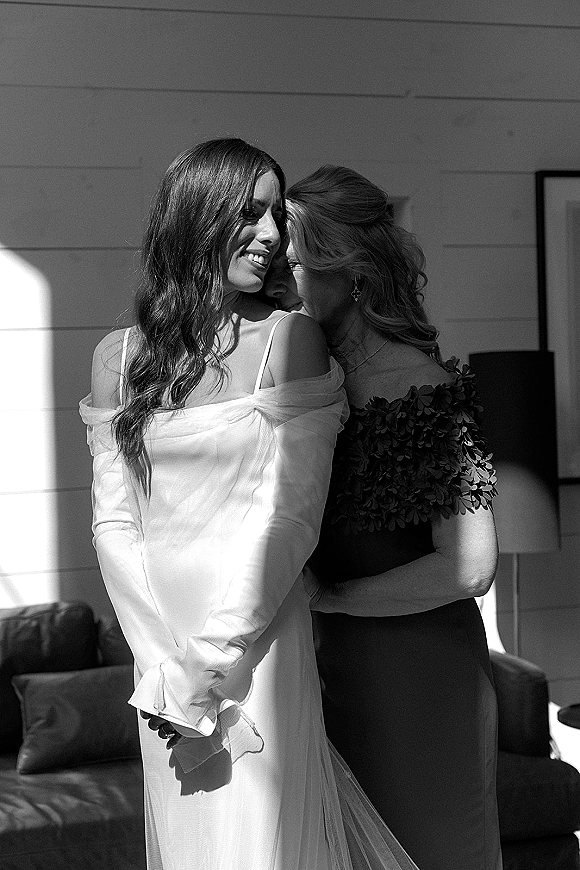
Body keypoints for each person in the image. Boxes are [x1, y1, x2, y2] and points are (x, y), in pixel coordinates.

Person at [79, 139, 420, 870]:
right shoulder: (117, 358)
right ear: (194, 217)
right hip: (161, 661)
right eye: (250, 212)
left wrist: (210, 665)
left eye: (277, 216)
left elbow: (289, 519)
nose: (272, 235)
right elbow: (114, 523)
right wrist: (165, 667)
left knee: (266, 842)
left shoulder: (290, 341)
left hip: (255, 644)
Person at [264, 164, 503, 870]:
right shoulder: (307, 387)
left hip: (422, 683)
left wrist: (331, 600)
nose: (278, 283)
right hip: (325, 676)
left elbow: (470, 567)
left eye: (293, 265)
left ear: (350, 270)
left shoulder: (426, 391)